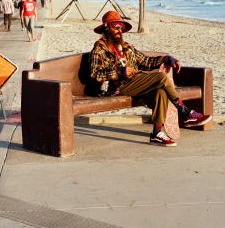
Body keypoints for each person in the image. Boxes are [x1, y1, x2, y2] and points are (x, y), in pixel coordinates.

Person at [88, 11, 212, 147]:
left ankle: (156, 133)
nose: (119, 30)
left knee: (161, 92)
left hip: (137, 82)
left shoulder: (127, 47)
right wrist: (119, 71)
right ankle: (185, 111)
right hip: (119, 86)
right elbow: (95, 73)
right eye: (116, 26)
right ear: (107, 28)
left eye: (121, 27)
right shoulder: (99, 48)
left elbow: (146, 61)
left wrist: (166, 58)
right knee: (160, 77)